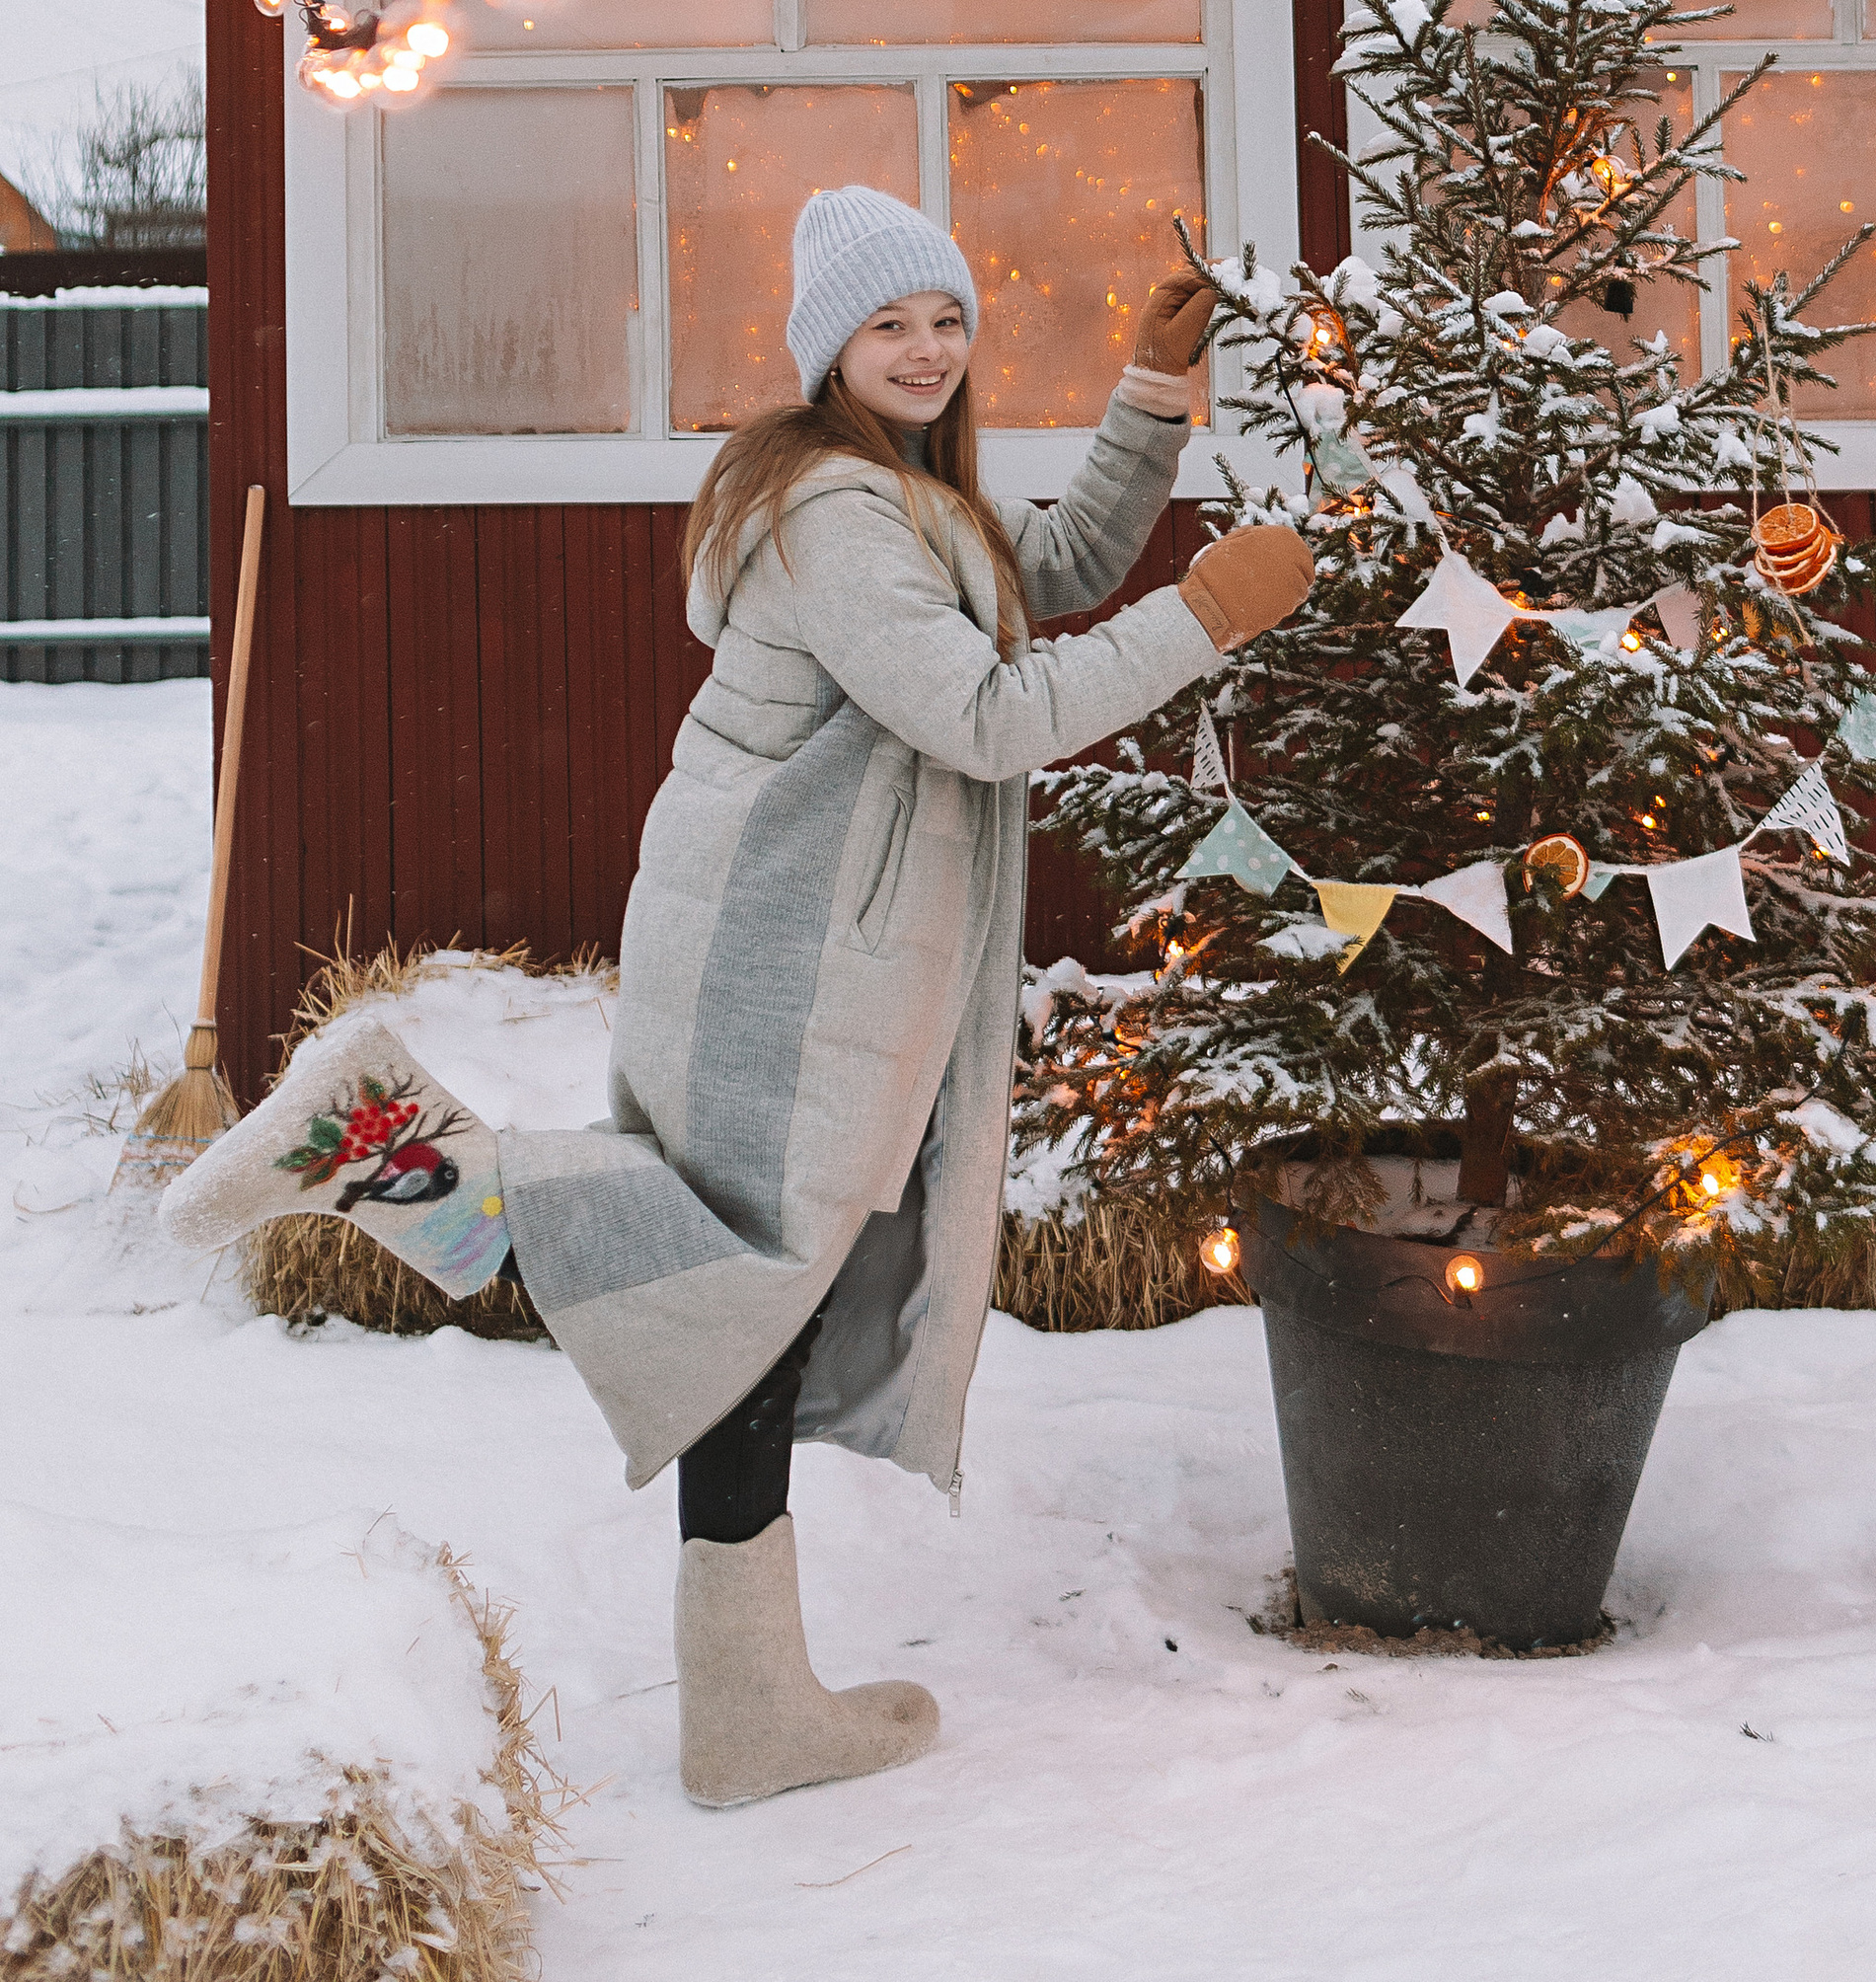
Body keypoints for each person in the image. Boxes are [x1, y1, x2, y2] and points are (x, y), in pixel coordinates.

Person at [166, 184, 1312, 1807]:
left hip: (800, 939)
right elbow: (984, 711)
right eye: (888, 325)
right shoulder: (838, 513)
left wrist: (1147, 392)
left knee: (742, 1293)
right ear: (826, 348)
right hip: (785, 947)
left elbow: (1033, 570)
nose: (926, 350)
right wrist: (1205, 618)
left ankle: (748, 1703)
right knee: (747, 1281)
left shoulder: (900, 493)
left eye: (945, 319)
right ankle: (381, 1148)